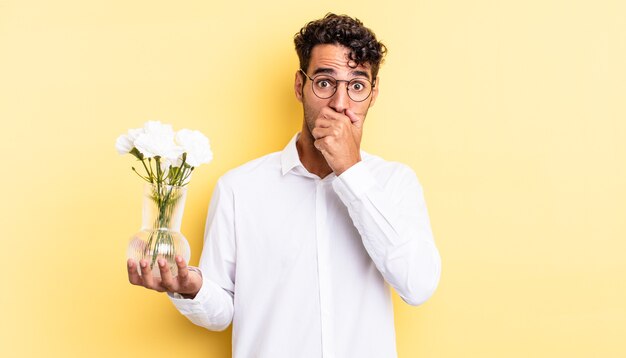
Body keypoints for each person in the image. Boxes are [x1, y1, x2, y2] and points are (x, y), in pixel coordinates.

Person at [128, 13, 442, 358]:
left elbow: (417, 285)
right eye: (324, 82)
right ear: (299, 86)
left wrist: (351, 172)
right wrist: (192, 288)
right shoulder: (239, 189)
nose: (340, 103)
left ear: (373, 93)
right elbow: (221, 313)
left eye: (356, 85)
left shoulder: (395, 183)